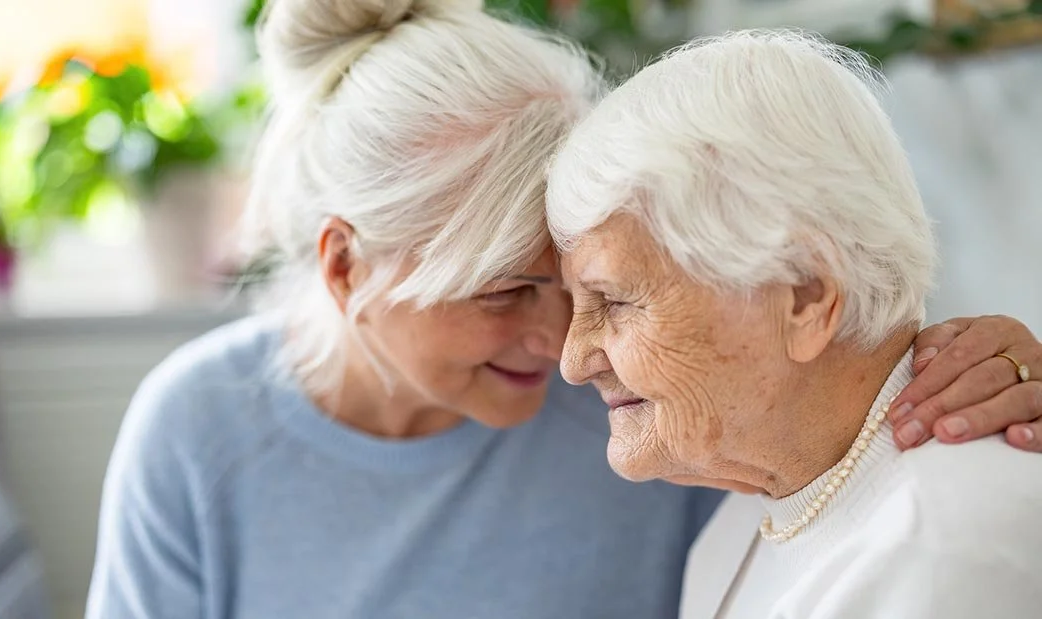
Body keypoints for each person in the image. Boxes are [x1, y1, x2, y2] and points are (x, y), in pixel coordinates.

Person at [87, 2, 1042, 617]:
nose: (560, 346)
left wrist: (973, 357)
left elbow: (836, 405)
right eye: (505, 291)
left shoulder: (636, 408)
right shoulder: (197, 433)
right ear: (345, 269)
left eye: (590, 293)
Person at [546, 29, 1042, 619]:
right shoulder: (752, 511)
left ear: (805, 297)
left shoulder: (947, 544)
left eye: (616, 300)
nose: (573, 359)